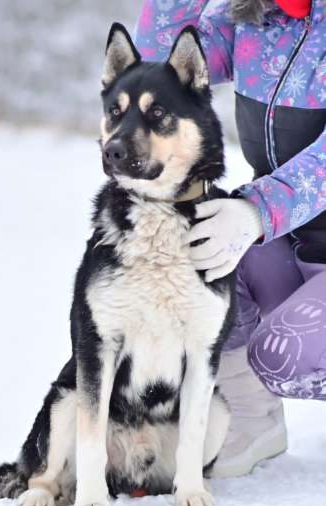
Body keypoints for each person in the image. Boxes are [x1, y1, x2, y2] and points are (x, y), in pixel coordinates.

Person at [135, 0, 326, 476]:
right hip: (295, 238)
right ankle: (252, 421)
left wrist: (257, 209)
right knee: (194, 253)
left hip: (280, 216)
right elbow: (158, 65)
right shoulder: (253, 20)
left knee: (285, 355)